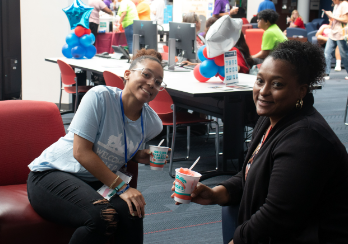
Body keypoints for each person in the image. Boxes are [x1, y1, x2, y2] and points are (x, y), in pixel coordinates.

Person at [172, 40, 348, 243]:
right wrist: (216, 193)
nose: (263, 91)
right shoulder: (271, 118)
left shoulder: (306, 138)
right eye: (260, 81)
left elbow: (277, 217)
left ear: (301, 91)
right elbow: (252, 172)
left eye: (277, 84)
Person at [27, 49, 165, 244]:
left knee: (133, 211)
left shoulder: (153, 123)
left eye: (158, 82)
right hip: (52, 175)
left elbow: (122, 147)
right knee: (102, 217)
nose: (151, 83)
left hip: (95, 181)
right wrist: (122, 187)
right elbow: (80, 152)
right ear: (127, 74)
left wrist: (143, 155)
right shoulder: (100, 97)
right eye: (146, 74)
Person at [322, 0, 348, 80]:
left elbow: (346, 19)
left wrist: (332, 16)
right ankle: (326, 73)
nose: (332, 0)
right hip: (333, 33)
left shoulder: (344, 4)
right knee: (327, 52)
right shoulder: (336, 5)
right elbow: (335, 20)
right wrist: (330, 16)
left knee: (344, 55)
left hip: (340, 33)